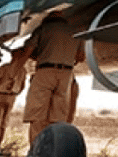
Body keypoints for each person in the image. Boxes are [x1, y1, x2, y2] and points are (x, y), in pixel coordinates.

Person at [22, 12, 86, 144]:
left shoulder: (43, 29)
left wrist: (17, 67)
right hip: (66, 75)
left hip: (45, 71)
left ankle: (37, 151)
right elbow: (81, 57)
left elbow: (28, 51)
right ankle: (54, 149)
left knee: (38, 115)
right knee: (58, 117)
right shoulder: (75, 32)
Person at [0, 44, 30, 157]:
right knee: (3, 123)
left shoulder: (5, 67)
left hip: (1, 95)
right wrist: (15, 93)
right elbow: (22, 86)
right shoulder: (23, 70)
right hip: (12, 97)